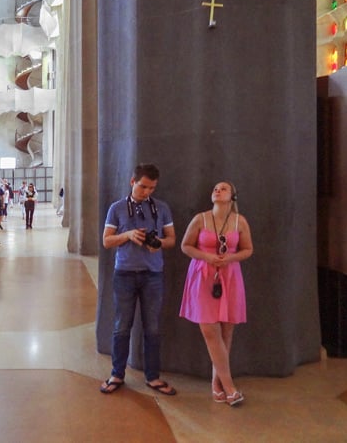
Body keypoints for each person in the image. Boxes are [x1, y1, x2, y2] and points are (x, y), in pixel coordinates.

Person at [100, 163, 177, 396]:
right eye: (143, 186)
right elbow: (106, 241)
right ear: (132, 182)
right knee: (121, 326)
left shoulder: (161, 208)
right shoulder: (117, 208)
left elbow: (172, 239)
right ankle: (117, 374)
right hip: (124, 274)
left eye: (152, 188)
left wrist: (159, 244)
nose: (147, 192)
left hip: (153, 274)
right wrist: (128, 235)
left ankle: (153, 377)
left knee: (152, 328)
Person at [179, 182, 254, 406]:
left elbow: (248, 249)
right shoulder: (200, 219)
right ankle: (230, 387)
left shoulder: (240, 221)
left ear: (232, 196)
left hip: (229, 276)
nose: (217, 190)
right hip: (203, 276)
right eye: (215, 188)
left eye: (223, 188)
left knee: (226, 332)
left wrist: (229, 258)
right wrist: (206, 257)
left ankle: (217, 383)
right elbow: (185, 246)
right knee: (210, 331)